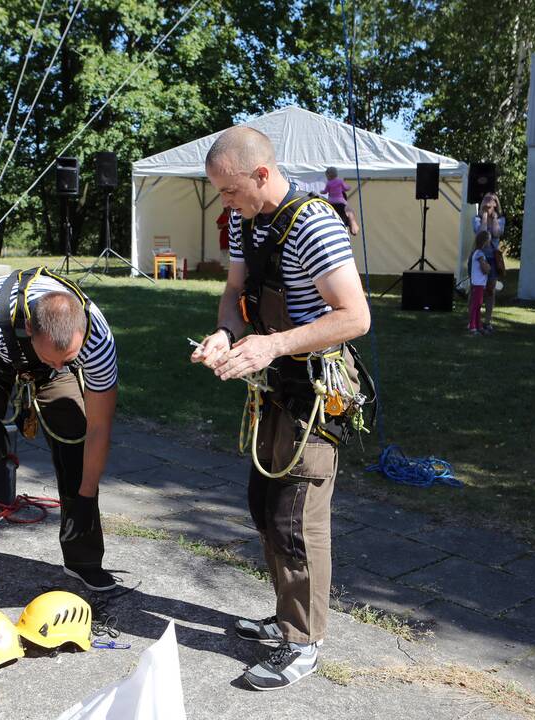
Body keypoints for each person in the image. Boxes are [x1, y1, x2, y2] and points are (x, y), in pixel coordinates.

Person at [191, 127, 371, 690]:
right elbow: (235, 290)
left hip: (315, 392)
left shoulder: (314, 224)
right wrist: (225, 332)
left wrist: (270, 345)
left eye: (229, 190)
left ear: (262, 175)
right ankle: (288, 616)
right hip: (274, 387)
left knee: (296, 520)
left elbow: (355, 316)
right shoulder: (250, 222)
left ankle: (303, 642)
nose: (225, 203)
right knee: (264, 505)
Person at [0, 267, 119, 629]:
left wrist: (85, 497)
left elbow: (100, 428)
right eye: (52, 356)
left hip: (47, 369)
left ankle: (82, 559)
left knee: (76, 435)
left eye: (68, 358)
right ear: (30, 331)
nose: (59, 362)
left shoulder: (96, 342)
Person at [472, 192, 506, 332]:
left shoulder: (501, 219)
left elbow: (497, 233)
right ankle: (473, 321)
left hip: (492, 258)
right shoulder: (477, 218)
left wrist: (495, 218)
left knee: (490, 291)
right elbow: (480, 234)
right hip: (479, 257)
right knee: (476, 290)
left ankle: (488, 321)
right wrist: (485, 216)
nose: (487, 202)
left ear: (496, 204)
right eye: (485, 199)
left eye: (491, 200)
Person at [468, 231, 492, 335]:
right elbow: (485, 269)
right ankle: (473, 326)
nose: (489, 242)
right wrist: (489, 267)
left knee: (478, 305)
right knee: (476, 306)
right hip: (478, 284)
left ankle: (479, 326)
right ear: (485, 241)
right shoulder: (480, 254)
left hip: (478, 284)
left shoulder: (476, 253)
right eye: (489, 240)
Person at [323, 166, 355, 234]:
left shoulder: (324, 208)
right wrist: (351, 219)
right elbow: (354, 231)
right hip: (340, 238)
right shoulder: (347, 209)